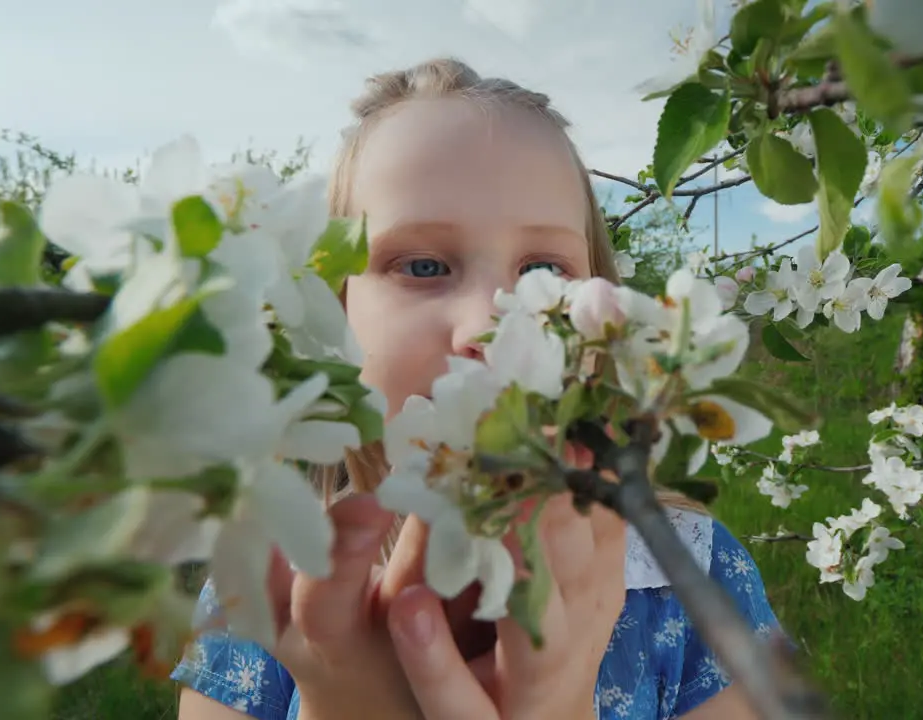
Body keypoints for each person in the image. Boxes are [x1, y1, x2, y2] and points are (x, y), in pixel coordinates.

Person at [173, 57, 786, 720]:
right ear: (331, 310)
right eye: (425, 265)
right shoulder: (271, 585)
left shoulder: (689, 578)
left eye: (544, 269)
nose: (489, 326)